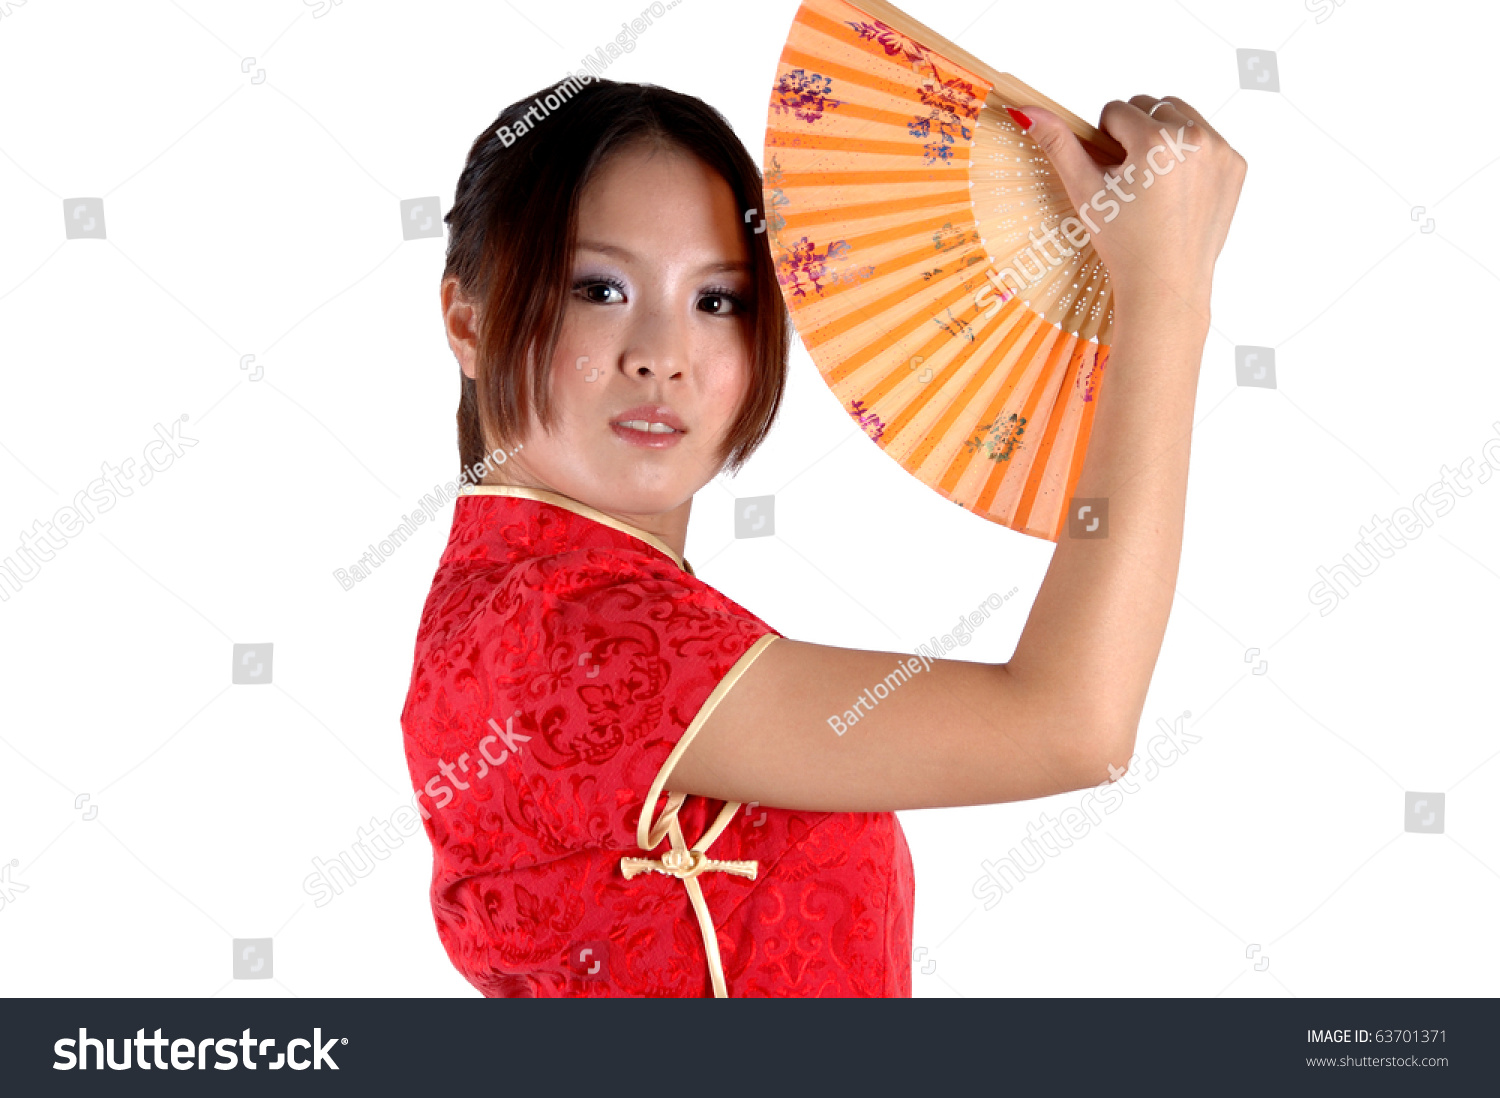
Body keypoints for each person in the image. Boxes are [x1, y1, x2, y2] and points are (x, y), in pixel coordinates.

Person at [400, 75, 1247, 997]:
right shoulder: (573, 628)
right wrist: (1168, 296)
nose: (663, 353)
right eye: (599, 288)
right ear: (468, 322)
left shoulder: (522, 612)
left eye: (717, 301)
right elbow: (1074, 725)